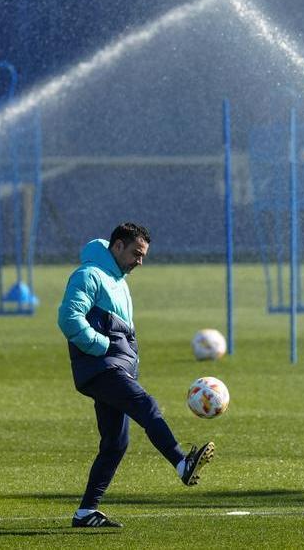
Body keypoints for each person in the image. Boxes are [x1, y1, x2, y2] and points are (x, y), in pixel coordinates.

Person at [57, 222, 214, 529]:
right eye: (135, 253)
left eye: (143, 255)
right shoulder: (89, 275)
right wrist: (99, 344)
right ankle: (182, 464)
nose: (139, 261)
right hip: (102, 368)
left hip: (114, 368)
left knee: (116, 443)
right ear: (117, 246)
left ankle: (85, 512)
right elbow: (69, 317)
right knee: (147, 405)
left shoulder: (118, 280)